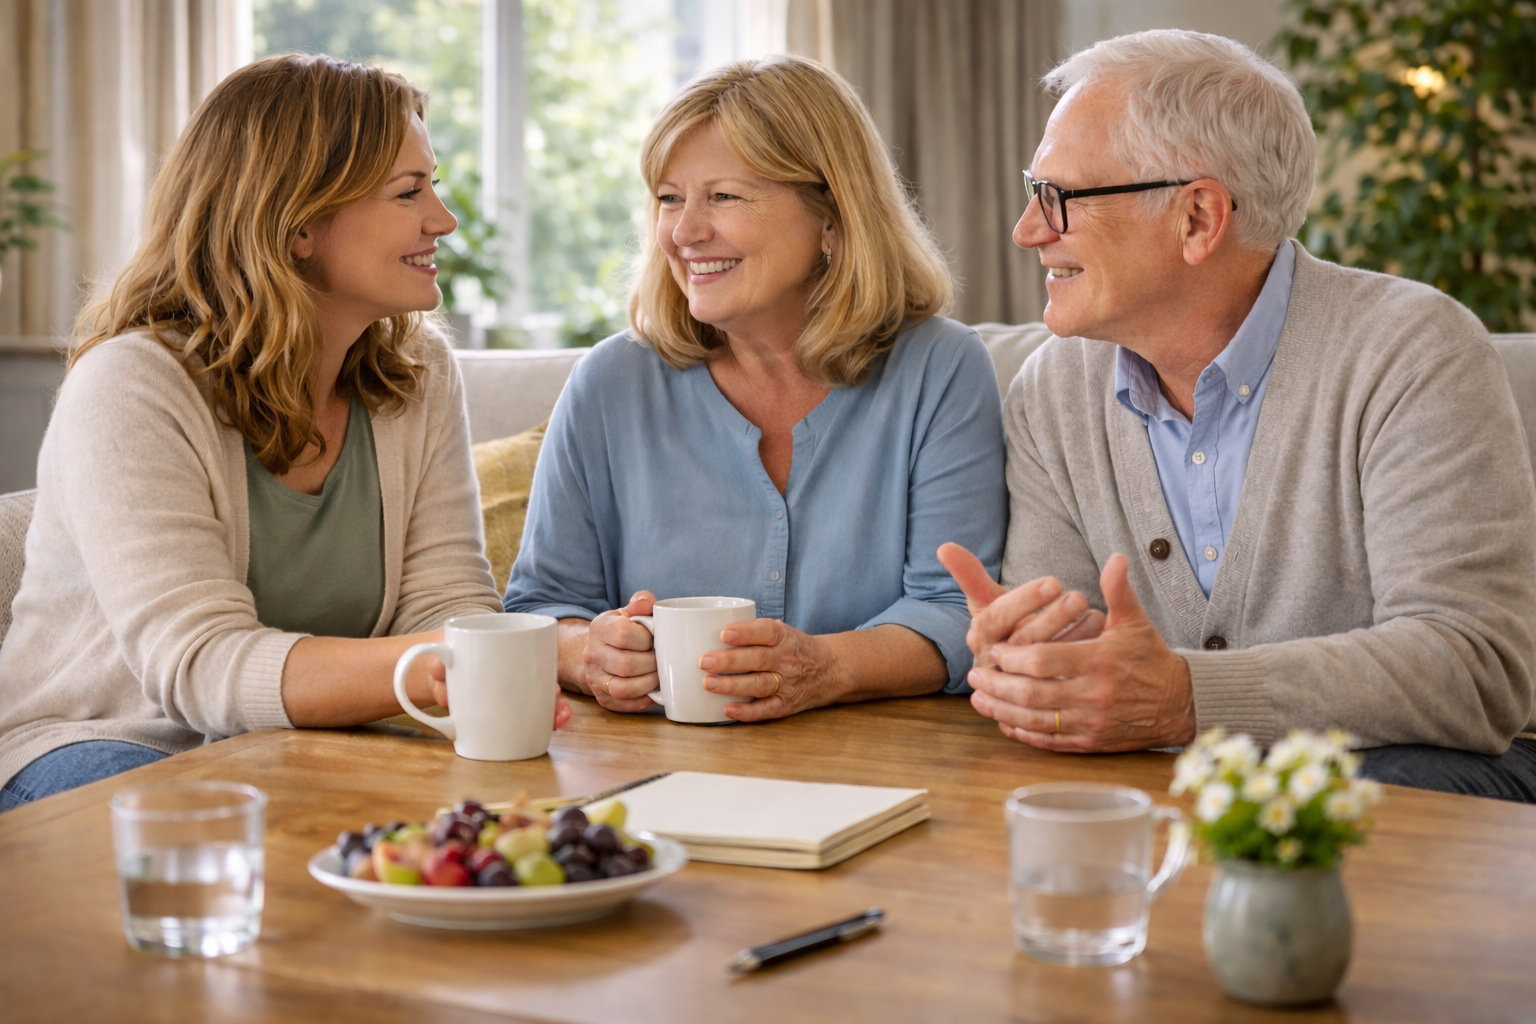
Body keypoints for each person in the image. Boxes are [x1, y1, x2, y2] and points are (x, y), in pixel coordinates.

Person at [938, 30, 1536, 800]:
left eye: (1059, 197)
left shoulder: (1413, 350)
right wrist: (1044, 663)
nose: (1028, 229)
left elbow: (1476, 668)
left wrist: (1186, 696)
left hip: (1417, 782)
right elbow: (1085, 637)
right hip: (1168, 787)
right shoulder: (1054, 387)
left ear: (1198, 218)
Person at [0, 55, 569, 810]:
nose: (443, 218)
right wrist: (455, 661)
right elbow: (200, 665)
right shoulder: (131, 385)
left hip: (312, 746)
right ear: (299, 223)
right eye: (410, 191)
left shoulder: (417, 371)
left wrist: (495, 664)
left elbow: (447, 606)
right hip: (112, 745)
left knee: (525, 816)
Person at [503, 55, 1007, 722]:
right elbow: (542, 605)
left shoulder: (940, 369)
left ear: (832, 217)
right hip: (646, 768)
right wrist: (587, 653)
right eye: (669, 198)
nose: (683, 233)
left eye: (724, 196)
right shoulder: (609, 383)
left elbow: (955, 610)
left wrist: (829, 669)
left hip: (883, 763)